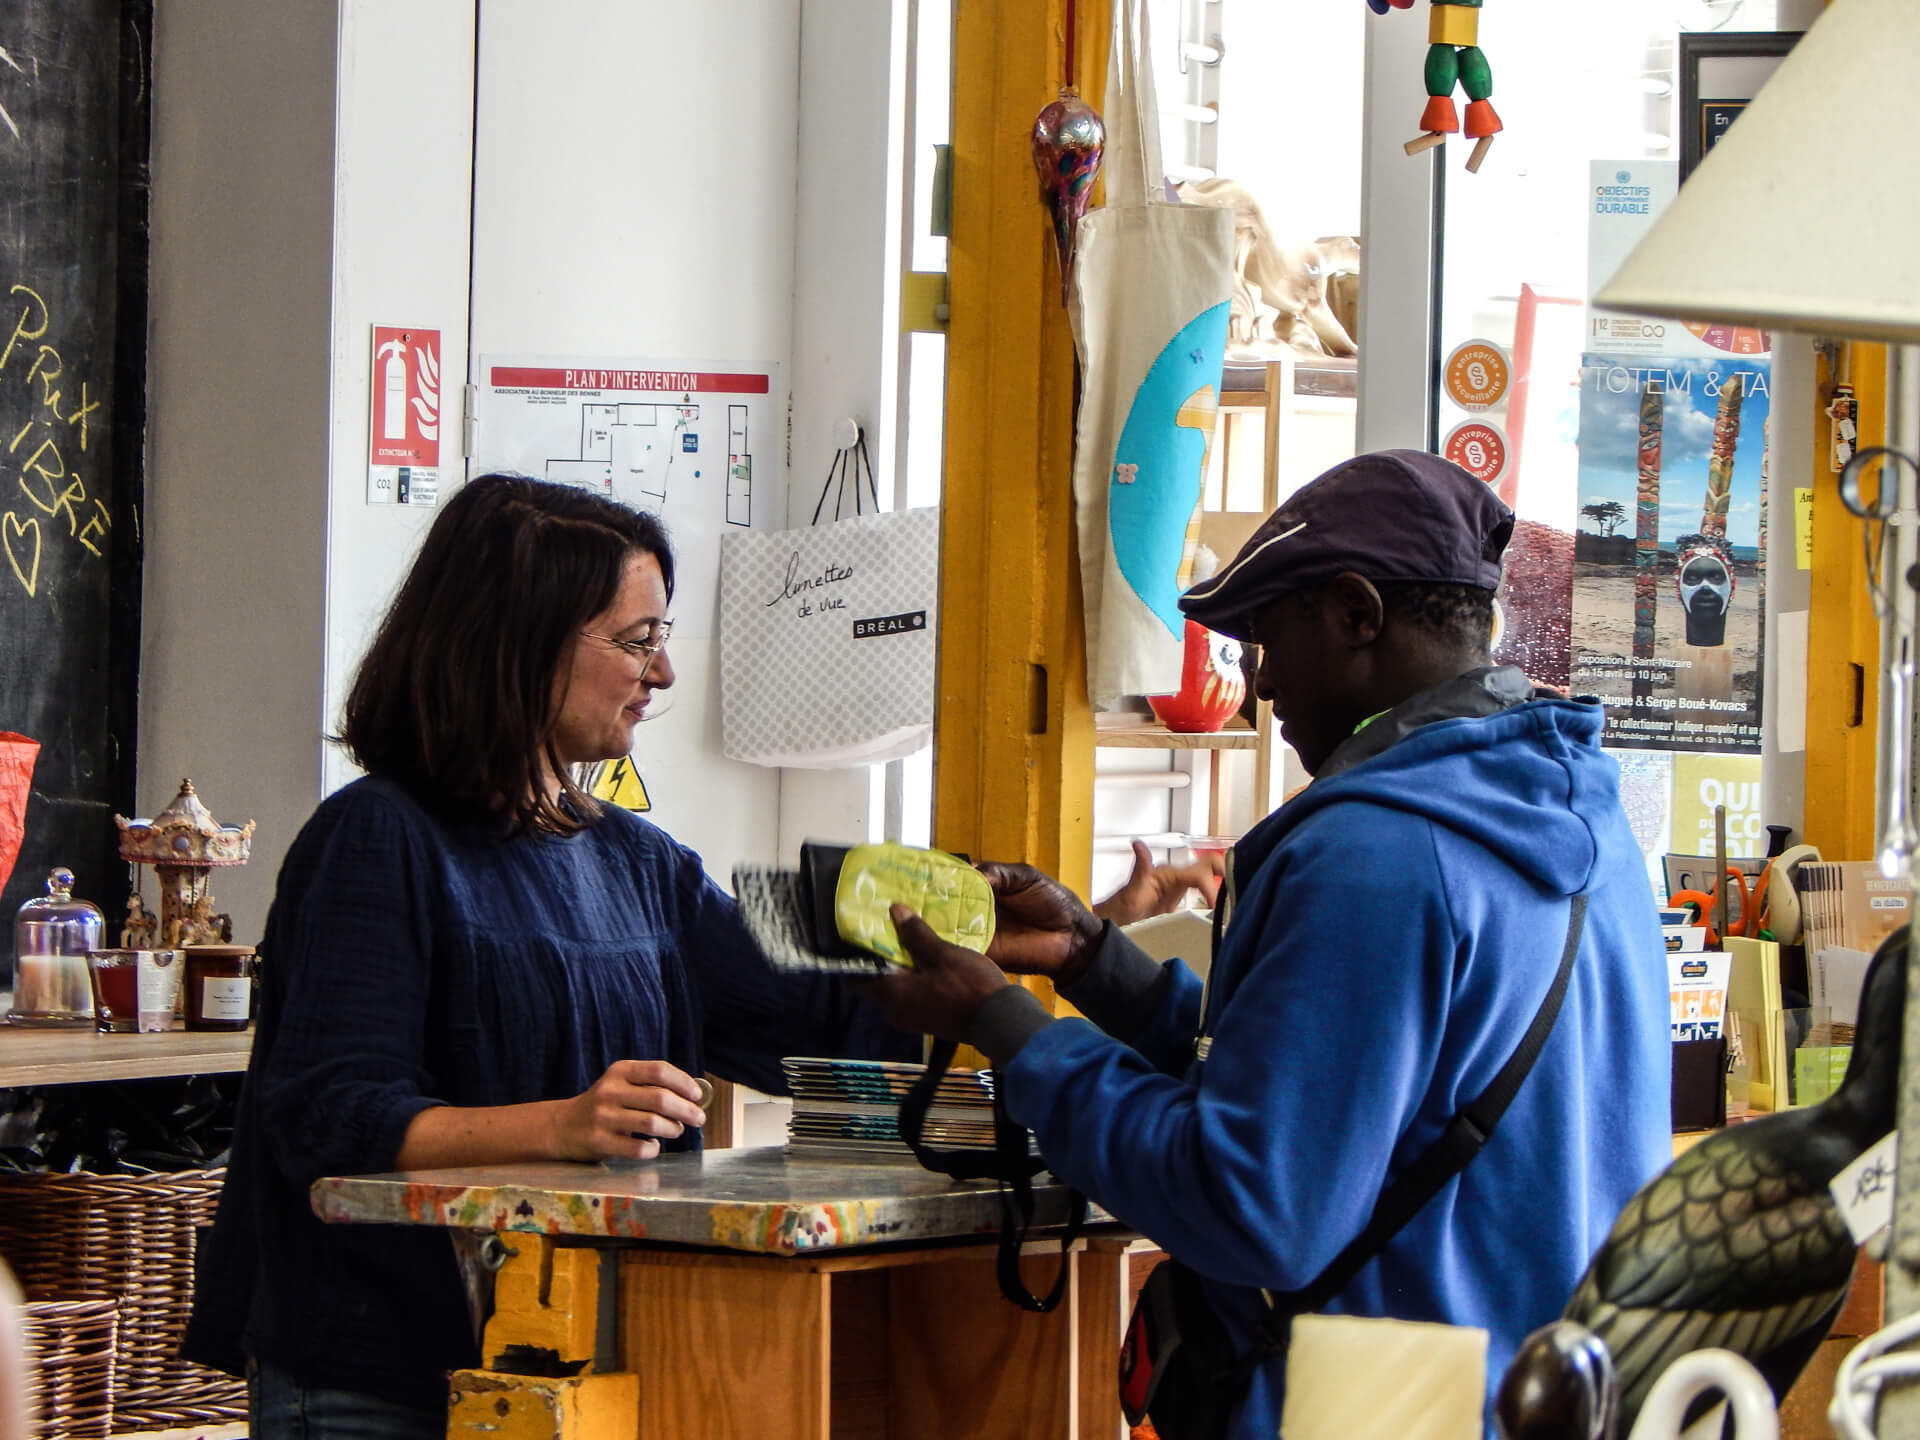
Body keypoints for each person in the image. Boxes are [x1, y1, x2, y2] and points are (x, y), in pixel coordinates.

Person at [864, 450, 1672, 1437]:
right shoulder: (1584, 826)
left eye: (1266, 642)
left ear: (1356, 612)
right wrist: (1092, 960)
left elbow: (1254, 1205)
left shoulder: (1372, 850)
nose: (1262, 685)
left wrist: (1008, 1030)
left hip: (1370, 1405)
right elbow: (1359, 1088)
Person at [183, 475, 922, 1439]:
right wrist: (561, 1125)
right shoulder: (374, 836)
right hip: (390, 1377)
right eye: (637, 641)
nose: (660, 677)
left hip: (597, 1370)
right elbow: (328, 1116)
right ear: (520, 644)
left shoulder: (640, 858)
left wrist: (1025, 960)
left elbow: (817, 1016)